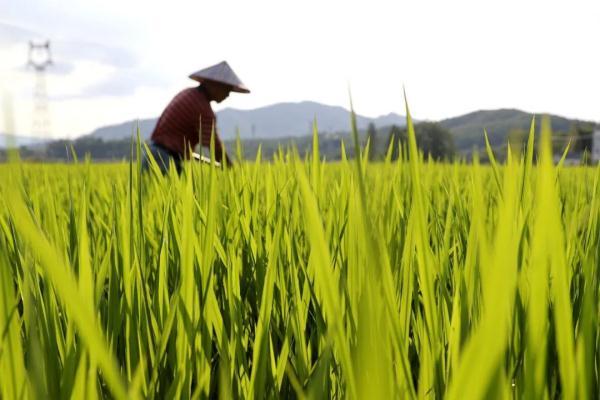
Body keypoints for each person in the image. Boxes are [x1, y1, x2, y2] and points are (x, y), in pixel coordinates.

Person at [142, 61, 250, 174]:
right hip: (163, 159)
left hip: (154, 153)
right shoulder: (202, 108)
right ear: (214, 85)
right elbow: (215, 147)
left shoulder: (188, 93)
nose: (228, 95)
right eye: (226, 89)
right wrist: (231, 170)